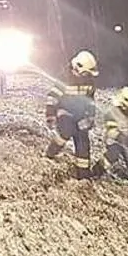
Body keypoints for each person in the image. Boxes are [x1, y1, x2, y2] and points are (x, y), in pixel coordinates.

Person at [45, 49, 100, 178]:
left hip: (80, 115)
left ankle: (83, 173)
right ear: (78, 68)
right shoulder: (64, 79)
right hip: (64, 112)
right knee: (66, 130)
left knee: (83, 140)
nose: (88, 76)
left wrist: (90, 117)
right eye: (86, 73)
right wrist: (50, 116)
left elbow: (91, 102)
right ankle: (51, 153)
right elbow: (52, 98)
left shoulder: (90, 83)